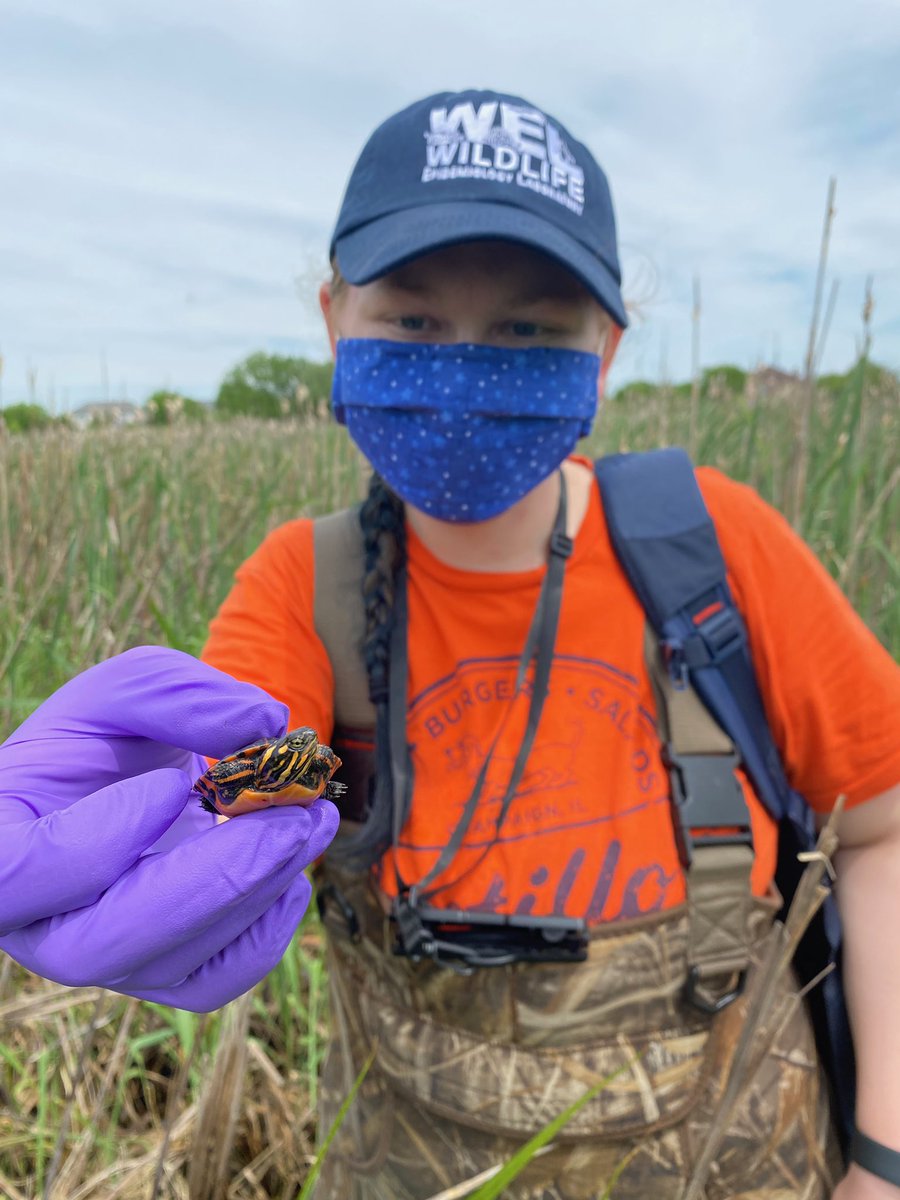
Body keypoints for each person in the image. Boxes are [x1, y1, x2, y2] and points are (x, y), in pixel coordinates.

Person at [0, 89, 898, 1199]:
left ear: (604, 352)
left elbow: (886, 826)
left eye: (527, 330)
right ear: (335, 322)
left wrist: (885, 1157)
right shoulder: (305, 590)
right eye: (414, 324)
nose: (466, 367)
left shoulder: (713, 550)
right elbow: (234, 777)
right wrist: (132, 831)